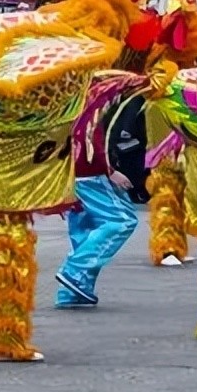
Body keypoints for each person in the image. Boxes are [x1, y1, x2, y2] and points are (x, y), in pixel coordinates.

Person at [54, 123, 140, 308]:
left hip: (70, 175)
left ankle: (71, 292)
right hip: (89, 174)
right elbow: (88, 138)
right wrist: (109, 171)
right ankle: (74, 271)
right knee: (122, 221)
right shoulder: (87, 107)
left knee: (84, 229)